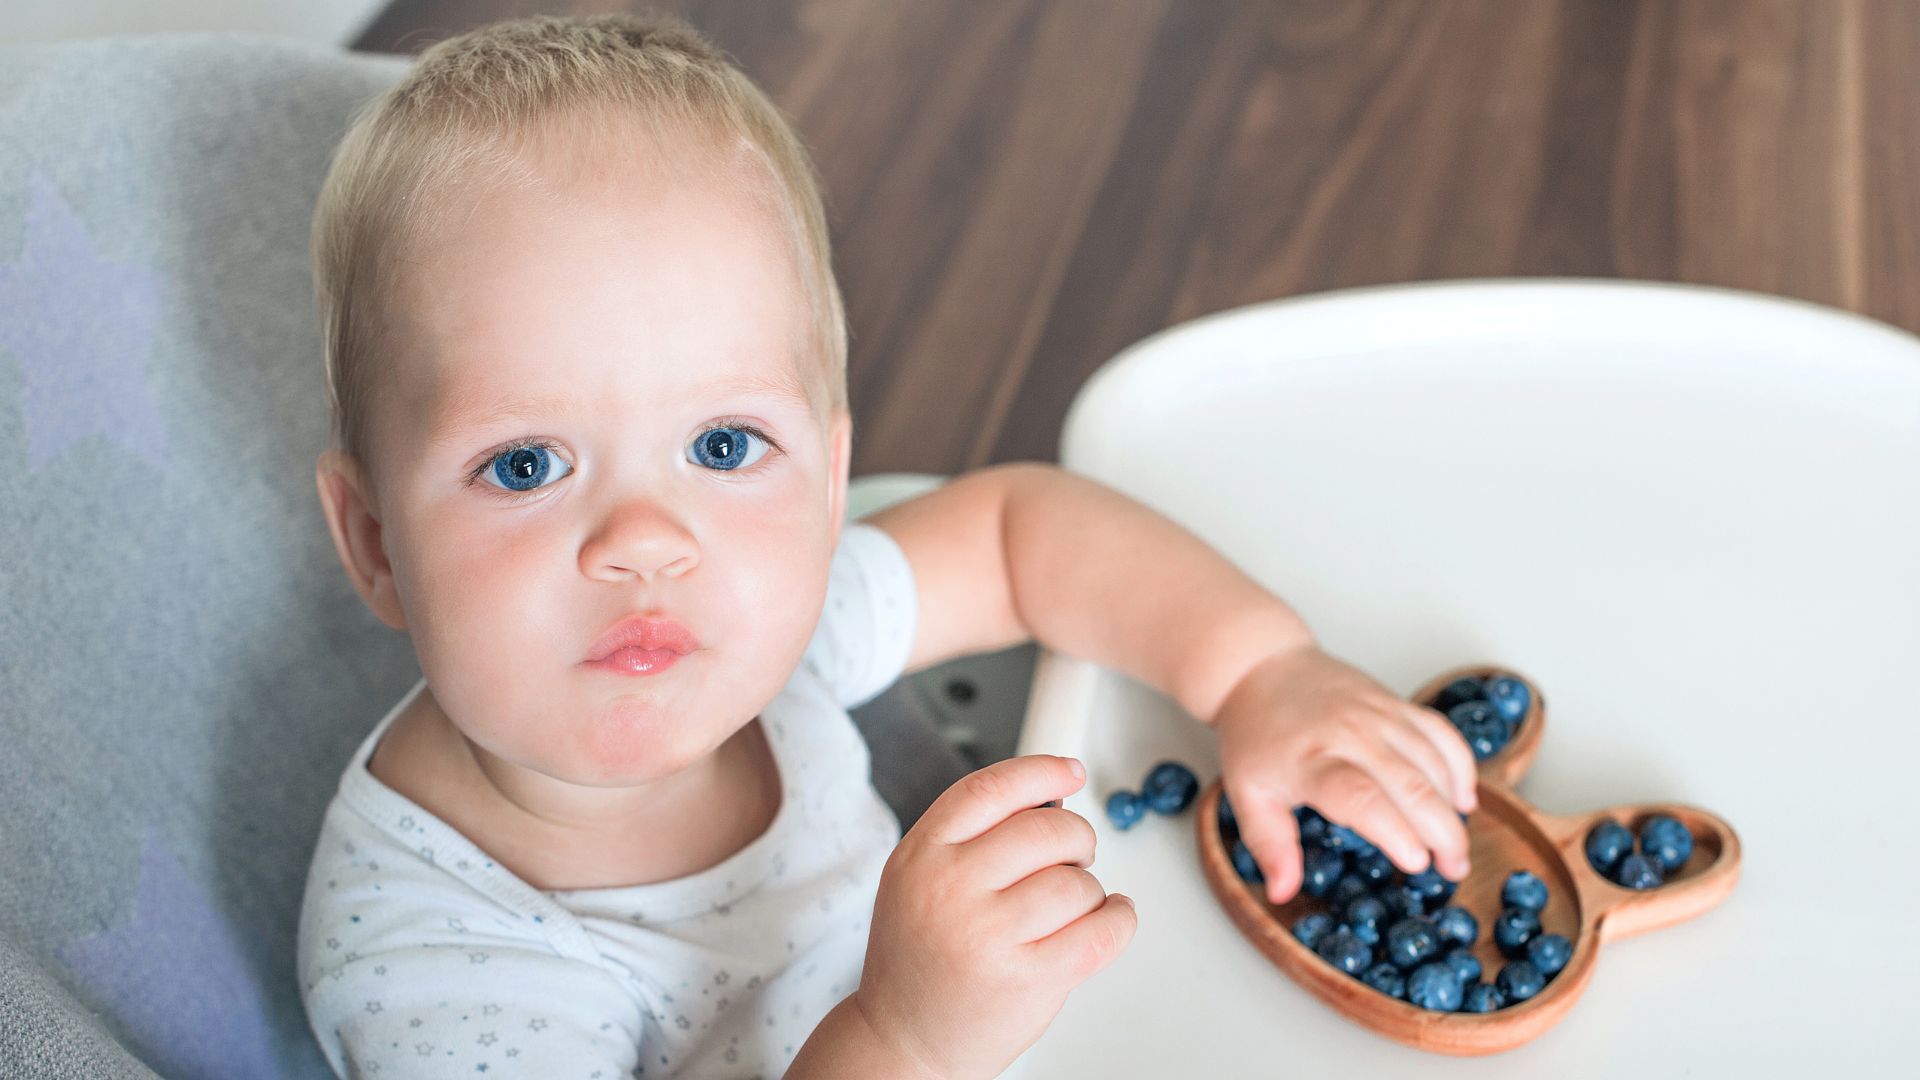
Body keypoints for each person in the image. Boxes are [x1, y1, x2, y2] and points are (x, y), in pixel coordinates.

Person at [296, 12, 1479, 1078]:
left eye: (721, 447)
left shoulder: (765, 637)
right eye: (525, 465)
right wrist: (904, 1038)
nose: (648, 543)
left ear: (829, 485)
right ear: (375, 544)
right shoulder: (440, 972)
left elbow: (1020, 534)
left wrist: (1260, 673)